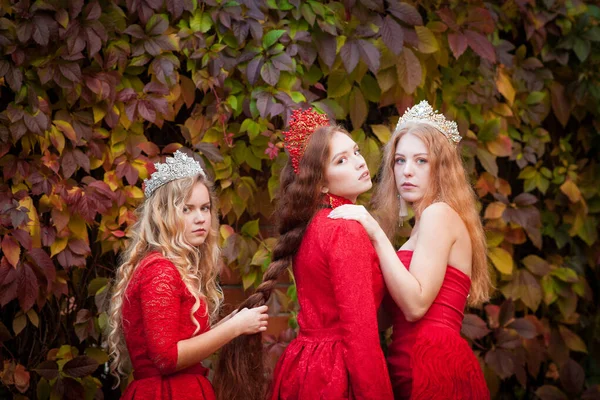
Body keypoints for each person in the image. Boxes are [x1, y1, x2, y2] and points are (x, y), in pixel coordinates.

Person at [213, 109, 393, 400]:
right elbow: (360, 336)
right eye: (341, 160)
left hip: (303, 364)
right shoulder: (345, 230)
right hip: (337, 372)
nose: (359, 162)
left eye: (356, 151)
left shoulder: (313, 225)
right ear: (320, 184)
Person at [329, 101, 491, 399]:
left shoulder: (439, 214)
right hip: (408, 366)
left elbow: (415, 306)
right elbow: (389, 317)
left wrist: (374, 232)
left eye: (421, 161)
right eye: (400, 161)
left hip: (433, 367)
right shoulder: (421, 227)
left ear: (442, 168)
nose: (407, 172)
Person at [107, 150, 269, 400]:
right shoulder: (159, 271)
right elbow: (167, 358)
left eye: (205, 208)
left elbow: (184, 342)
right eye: (187, 209)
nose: (200, 218)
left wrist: (235, 321)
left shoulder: (174, 268)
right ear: (163, 215)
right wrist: (233, 328)